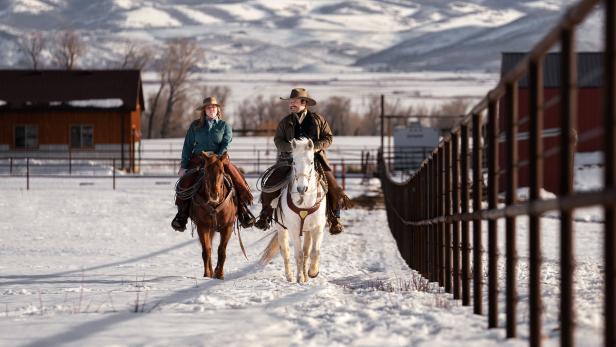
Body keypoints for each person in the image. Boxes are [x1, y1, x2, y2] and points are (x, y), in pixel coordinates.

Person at [254, 88, 349, 234]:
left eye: (294, 101)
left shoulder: (318, 120)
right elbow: (278, 140)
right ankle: (265, 215)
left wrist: (315, 148)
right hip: (289, 160)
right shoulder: (285, 122)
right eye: (290, 102)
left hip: (315, 159)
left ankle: (334, 218)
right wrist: (291, 148)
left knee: (334, 187)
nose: (291, 104)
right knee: (270, 183)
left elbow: (328, 138)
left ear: (304, 103)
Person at [171, 96, 255, 232]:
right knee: (185, 183)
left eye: (214, 107)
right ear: (204, 111)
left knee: (237, 178)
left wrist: (217, 157)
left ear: (218, 109)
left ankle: (243, 211)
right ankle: (182, 215)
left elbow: (226, 143)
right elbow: (187, 146)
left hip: (220, 159)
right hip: (199, 159)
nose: (211, 110)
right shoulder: (195, 126)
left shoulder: (224, 126)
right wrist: (184, 166)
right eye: (208, 108)